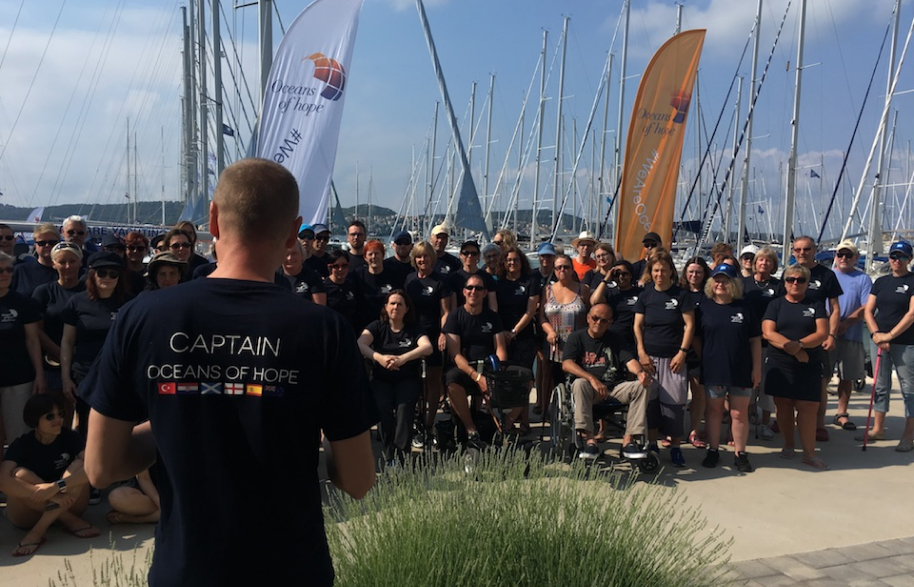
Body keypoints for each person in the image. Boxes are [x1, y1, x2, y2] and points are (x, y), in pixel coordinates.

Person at [82, 158, 378, 587]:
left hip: (185, 570)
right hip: (291, 569)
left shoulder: (142, 317)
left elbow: (101, 467)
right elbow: (358, 480)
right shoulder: (324, 330)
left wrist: (169, 420)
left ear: (214, 219)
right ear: (294, 230)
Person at [0, 393, 100, 557]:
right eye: (50, 416)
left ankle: (37, 532)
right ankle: (68, 519)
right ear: (35, 420)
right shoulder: (22, 444)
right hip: (28, 514)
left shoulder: (70, 437)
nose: (58, 419)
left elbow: (93, 469)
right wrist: (52, 497)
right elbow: (3, 481)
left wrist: (55, 487)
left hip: (69, 500)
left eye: (61, 414)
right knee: (19, 473)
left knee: (82, 464)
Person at [561, 303, 651, 460]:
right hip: (589, 389)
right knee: (579, 383)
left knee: (641, 386)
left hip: (614, 388)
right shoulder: (577, 337)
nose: (598, 323)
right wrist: (591, 379)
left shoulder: (615, 338)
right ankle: (590, 440)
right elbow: (567, 364)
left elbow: (629, 361)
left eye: (604, 320)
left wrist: (640, 373)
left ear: (610, 322)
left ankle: (628, 441)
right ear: (588, 318)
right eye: (595, 318)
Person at [695, 264, 762, 472]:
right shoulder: (703, 307)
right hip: (714, 369)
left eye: (725, 280)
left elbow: (755, 340)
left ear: (734, 284)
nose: (720, 284)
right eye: (717, 279)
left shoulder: (745, 307)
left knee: (738, 413)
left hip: (741, 369)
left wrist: (757, 368)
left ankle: (740, 453)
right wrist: (704, 357)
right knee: (714, 411)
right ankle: (713, 450)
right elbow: (696, 337)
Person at [762, 264, 829, 469]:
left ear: (807, 283)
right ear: (785, 282)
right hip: (780, 363)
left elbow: (821, 333)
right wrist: (794, 350)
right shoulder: (776, 305)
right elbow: (767, 332)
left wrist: (800, 345)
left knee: (808, 407)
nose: (795, 283)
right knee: (783, 405)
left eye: (800, 280)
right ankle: (789, 445)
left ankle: (809, 454)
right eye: (791, 279)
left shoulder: (816, 304)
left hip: (810, 363)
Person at [633, 249, 695, 467]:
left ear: (671, 271)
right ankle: (652, 443)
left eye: (664, 270)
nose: (660, 274)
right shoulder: (646, 295)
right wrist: (641, 352)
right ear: (651, 272)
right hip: (649, 359)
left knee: (675, 405)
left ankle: (676, 446)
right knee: (650, 404)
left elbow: (689, 326)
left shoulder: (681, 295)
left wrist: (682, 352)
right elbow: (637, 326)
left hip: (674, 360)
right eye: (656, 270)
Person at [61, 252, 132, 439]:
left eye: (113, 273)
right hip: (84, 376)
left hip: (118, 377)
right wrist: (66, 378)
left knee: (115, 431)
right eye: (102, 273)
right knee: (85, 429)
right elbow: (67, 342)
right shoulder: (76, 302)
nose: (107, 278)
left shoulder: (129, 303)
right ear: (92, 274)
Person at [358, 291, 432, 465]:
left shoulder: (414, 328)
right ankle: (390, 452)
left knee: (404, 410)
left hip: (407, 379)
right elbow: (360, 343)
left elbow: (427, 348)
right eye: (392, 303)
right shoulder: (377, 326)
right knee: (382, 408)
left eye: (400, 304)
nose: (395, 307)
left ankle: (400, 456)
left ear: (406, 308)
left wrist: (403, 358)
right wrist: (379, 358)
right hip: (381, 379)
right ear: (386, 307)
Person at [861, 241, 914, 451]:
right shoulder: (881, 282)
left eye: (901, 257)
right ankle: (878, 428)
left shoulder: (912, 281)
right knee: (880, 386)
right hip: (879, 340)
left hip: (905, 342)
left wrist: (890, 336)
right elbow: (868, 311)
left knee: (909, 389)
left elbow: (911, 314)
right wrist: (876, 334)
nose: (896, 260)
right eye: (893, 256)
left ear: (909, 259)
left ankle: (909, 435)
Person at [443, 273, 509, 440]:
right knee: (451, 380)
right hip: (466, 369)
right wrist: (477, 377)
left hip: (489, 368)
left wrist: (496, 377)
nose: (474, 291)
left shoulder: (493, 317)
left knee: (524, 377)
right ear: (464, 292)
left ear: (485, 293)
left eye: (478, 288)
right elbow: (455, 355)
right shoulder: (455, 317)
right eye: (470, 288)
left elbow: (500, 348)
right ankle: (470, 428)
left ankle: (505, 429)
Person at [791, 235, 843, 442]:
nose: (802, 253)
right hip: (792, 337)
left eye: (806, 249)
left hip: (819, 337)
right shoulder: (790, 273)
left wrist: (831, 334)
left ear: (814, 250)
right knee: (789, 379)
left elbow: (835, 308)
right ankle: (784, 419)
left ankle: (819, 423)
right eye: (797, 250)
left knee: (820, 382)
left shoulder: (827, 275)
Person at [404, 241, 453, 447]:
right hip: (413, 335)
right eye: (418, 257)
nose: (422, 260)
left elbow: (446, 312)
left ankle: (430, 421)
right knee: (414, 380)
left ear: (432, 257)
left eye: (425, 256)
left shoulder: (441, 281)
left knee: (433, 380)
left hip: (433, 334)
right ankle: (415, 419)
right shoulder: (410, 280)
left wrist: (443, 333)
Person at [32, 242, 86, 409]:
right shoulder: (43, 292)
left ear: (81, 262)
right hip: (52, 362)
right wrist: (59, 351)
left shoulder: (90, 291)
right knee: (55, 412)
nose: (68, 266)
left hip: (83, 363)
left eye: (72, 261)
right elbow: (36, 330)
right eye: (62, 262)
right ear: (54, 264)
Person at [0, 252, 46, 444]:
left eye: (9, 269)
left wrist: (39, 374)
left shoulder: (22, 303)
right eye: (0, 270)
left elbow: (33, 341)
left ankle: (14, 472)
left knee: (18, 435)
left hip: (18, 377)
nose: (5, 274)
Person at [496, 247, 541, 434]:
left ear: (522, 262)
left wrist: (514, 331)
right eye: (508, 260)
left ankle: (521, 421)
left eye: (515, 260)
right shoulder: (499, 283)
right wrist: (503, 333)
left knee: (525, 379)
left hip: (524, 336)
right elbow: (494, 309)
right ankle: (512, 419)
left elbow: (531, 311)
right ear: (504, 263)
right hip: (502, 337)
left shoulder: (531, 281)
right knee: (507, 380)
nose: (512, 263)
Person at [829, 241, 871, 432]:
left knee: (847, 376)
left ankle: (841, 413)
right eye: (840, 255)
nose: (843, 258)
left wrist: (846, 323)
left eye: (848, 255)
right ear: (836, 256)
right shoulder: (829, 276)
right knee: (823, 376)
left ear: (855, 258)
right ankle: (818, 414)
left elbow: (866, 306)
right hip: (827, 333)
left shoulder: (863, 279)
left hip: (851, 333)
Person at [540, 254, 590, 411]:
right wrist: (549, 331)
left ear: (572, 269)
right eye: (559, 267)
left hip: (578, 346)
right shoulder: (548, 291)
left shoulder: (583, 289)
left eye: (566, 267)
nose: (562, 270)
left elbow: (592, 314)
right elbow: (541, 316)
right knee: (556, 382)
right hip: (555, 347)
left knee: (577, 384)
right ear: (554, 270)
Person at [742, 246, 782, 440]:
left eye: (768, 261)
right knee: (747, 382)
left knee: (767, 385)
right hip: (747, 342)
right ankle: (749, 417)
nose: (764, 263)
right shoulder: (743, 284)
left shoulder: (778, 286)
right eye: (761, 260)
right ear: (755, 263)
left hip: (769, 343)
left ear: (774, 265)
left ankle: (765, 422)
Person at [680, 256, 710, 449]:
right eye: (691, 271)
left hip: (703, 349)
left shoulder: (710, 294)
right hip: (680, 349)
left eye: (698, 272)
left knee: (699, 393)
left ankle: (694, 431)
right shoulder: (679, 293)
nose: (694, 275)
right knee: (677, 394)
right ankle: (673, 431)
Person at [533, 242, 559, 416]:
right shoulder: (533, 276)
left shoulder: (558, 276)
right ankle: (540, 401)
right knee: (541, 364)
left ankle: (544, 403)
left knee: (546, 366)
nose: (545, 259)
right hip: (535, 323)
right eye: (543, 256)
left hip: (553, 323)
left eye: (549, 256)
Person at [323, 249, 367, 334]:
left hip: (350, 332)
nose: (340, 269)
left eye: (344, 265)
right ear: (330, 267)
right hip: (331, 332)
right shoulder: (324, 287)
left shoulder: (352, 285)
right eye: (336, 266)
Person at [355, 239, 398, 321]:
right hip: (363, 324)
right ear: (365, 257)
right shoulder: (358, 275)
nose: (374, 257)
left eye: (377, 253)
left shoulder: (393, 275)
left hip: (387, 323)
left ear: (383, 255)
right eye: (370, 254)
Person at [12, 223, 60, 297]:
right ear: (35, 245)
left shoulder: (68, 270)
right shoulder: (20, 271)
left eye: (52, 242)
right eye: (42, 243)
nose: (47, 246)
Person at [448, 240, 497, 309]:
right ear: (460, 255)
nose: (470, 256)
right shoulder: (453, 278)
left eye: (473, 253)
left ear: (478, 256)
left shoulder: (487, 278)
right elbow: (453, 307)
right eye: (466, 253)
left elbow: (493, 307)